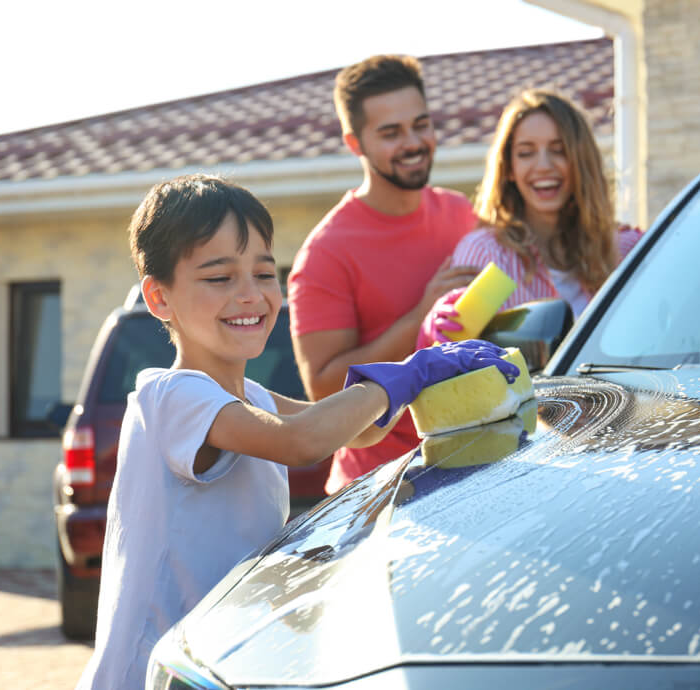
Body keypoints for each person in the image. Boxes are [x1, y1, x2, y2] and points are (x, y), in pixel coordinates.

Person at [75, 174, 517, 690]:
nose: (251, 295)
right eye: (219, 278)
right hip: (150, 675)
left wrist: (432, 375)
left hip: (212, 664)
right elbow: (301, 441)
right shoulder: (170, 397)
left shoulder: (253, 399)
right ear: (159, 298)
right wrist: (406, 374)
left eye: (264, 273)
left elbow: (357, 434)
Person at [287, 54, 480, 495]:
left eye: (421, 124)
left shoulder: (461, 213)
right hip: (376, 489)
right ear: (355, 143)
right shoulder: (325, 253)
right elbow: (323, 390)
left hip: (469, 464)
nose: (413, 142)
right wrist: (421, 317)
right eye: (391, 133)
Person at [416, 88, 644, 347]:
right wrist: (436, 329)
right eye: (526, 152)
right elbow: (453, 359)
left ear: (581, 161)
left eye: (559, 150)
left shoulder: (626, 250)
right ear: (509, 168)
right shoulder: (485, 254)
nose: (544, 165)